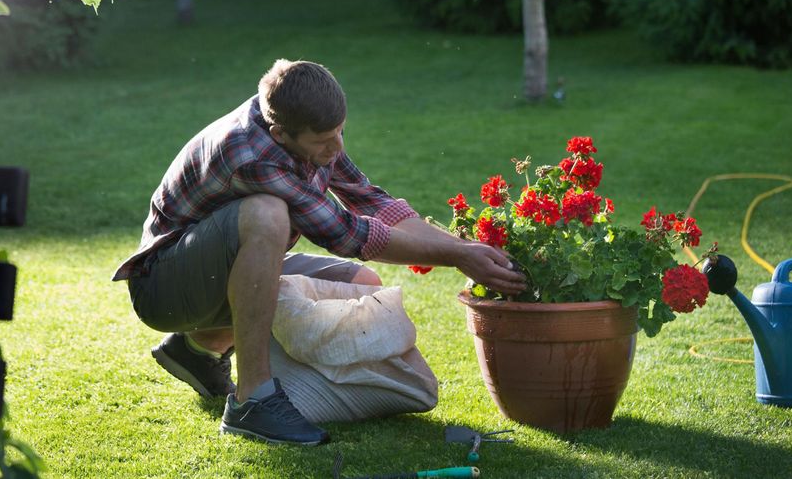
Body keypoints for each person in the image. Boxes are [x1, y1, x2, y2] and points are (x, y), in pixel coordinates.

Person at [113, 59, 526, 446]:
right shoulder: (254, 154)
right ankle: (252, 400)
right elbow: (346, 234)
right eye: (324, 141)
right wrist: (456, 257)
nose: (336, 147)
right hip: (163, 288)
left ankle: (197, 349)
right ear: (281, 134)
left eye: (341, 132)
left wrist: (463, 248)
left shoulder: (299, 122)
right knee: (267, 215)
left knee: (360, 285)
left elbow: (370, 201)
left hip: (211, 277)